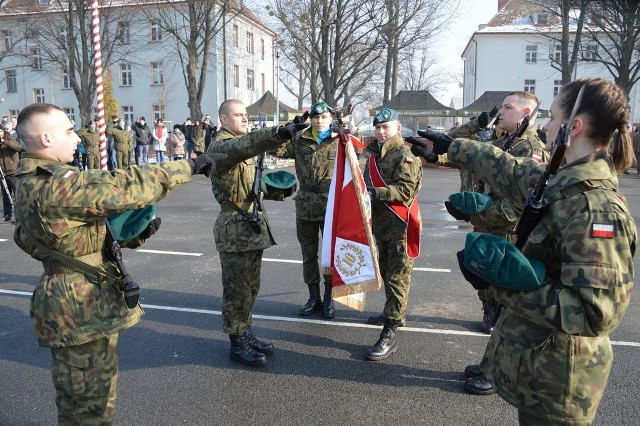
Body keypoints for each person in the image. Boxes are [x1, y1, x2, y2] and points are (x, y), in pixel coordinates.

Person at [430, 78, 636, 425]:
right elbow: (511, 170)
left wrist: (502, 284)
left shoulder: (595, 209)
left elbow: (594, 313)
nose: (545, 126)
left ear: (574, 127)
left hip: (559, 386)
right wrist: (452, 146)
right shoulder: (564, 180)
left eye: (552, 117)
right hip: (540, 368)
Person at [12, 103, 218, 423]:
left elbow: (38, 239)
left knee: (98, 395)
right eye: (69, 131)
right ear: (45, 139)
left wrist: (125, 235)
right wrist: (188, 167)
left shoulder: (34, 182)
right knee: (85, 407)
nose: (78, 138)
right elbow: (121, 186)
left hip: (84, 299)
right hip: (77, 306)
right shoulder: (52, 184)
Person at [207, 99, 307, 367]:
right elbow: (248, 144)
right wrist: (280, 132)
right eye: (238, 115)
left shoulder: (240, 147)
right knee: (236, 290)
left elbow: (250, 186)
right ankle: (237, 344)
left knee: (250, 288)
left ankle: (246, 332)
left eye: (246, 116)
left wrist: (276, 191)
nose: (244, 120)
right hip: (234, 229)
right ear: (224, 120)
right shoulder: (221, 147)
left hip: (250, 227)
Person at [444, 92, 549, 341]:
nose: (501, 111)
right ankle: (491, 356)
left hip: (507, 235)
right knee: (488, 295)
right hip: (488, 228)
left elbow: (520, 207)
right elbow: (455, 143)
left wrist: (478, 212)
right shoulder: (506, 142)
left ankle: (493, 371)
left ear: (526, 114)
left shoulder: (531, 149)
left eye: (507, 107)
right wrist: (477, 124)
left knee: (505, 301)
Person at [363, 107, 422, 361]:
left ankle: (391, 331)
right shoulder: (375, 155)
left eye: (385, 127)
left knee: (398, 278)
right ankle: (391, 313)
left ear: (397, 128)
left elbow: (405, 191)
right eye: (377, 127)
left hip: (400, 228)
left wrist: (373, 193)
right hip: (382, 227)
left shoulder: (404, 156)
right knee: (387, 273)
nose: (380, 132)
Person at [271, 101, 337, 319]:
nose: (319, 121)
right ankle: (313, 297)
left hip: (331, 205)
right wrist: (289, 127)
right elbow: (275, 148)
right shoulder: (301, 140)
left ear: (330, 119)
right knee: (308, 254)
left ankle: (328, 298)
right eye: (316, 117)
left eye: (324, 117)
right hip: (306, 203)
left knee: (329, 256)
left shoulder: (340, 142)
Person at [0, 126, 22, 222]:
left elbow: (18, 147)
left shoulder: (10, 138)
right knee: (5, 195)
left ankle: (21, 215)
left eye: (0, 131)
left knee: (17, 193)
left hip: (13, 171)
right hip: (3, 172)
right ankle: (7, 214)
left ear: (3, 131)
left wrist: (4, 141)